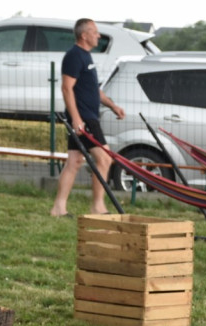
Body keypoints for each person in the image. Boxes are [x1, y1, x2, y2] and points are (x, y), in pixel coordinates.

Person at [49, 18, 125, 218]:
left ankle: (58, 208)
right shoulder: (74, 56)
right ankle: (97, 206)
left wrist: (113, 105)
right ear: (84, 35)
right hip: (84, 118)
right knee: (104, 158)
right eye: (95, 32)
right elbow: (67, 88)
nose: (98, 36)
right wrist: (75, 118)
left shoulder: (86, 56)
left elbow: (94, 90)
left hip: (88, 116)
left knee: (74, 161)